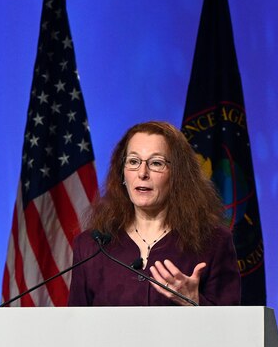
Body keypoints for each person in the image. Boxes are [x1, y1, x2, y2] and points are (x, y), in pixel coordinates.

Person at [68, 120, 241, 306]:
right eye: (133, 161)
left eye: (156, 163)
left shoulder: (214, 243)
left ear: (177, 174)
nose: (142, 173)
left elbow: (233, 329)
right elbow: (76, 328)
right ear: (122, 173)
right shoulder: (92, 246)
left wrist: (194, 302)